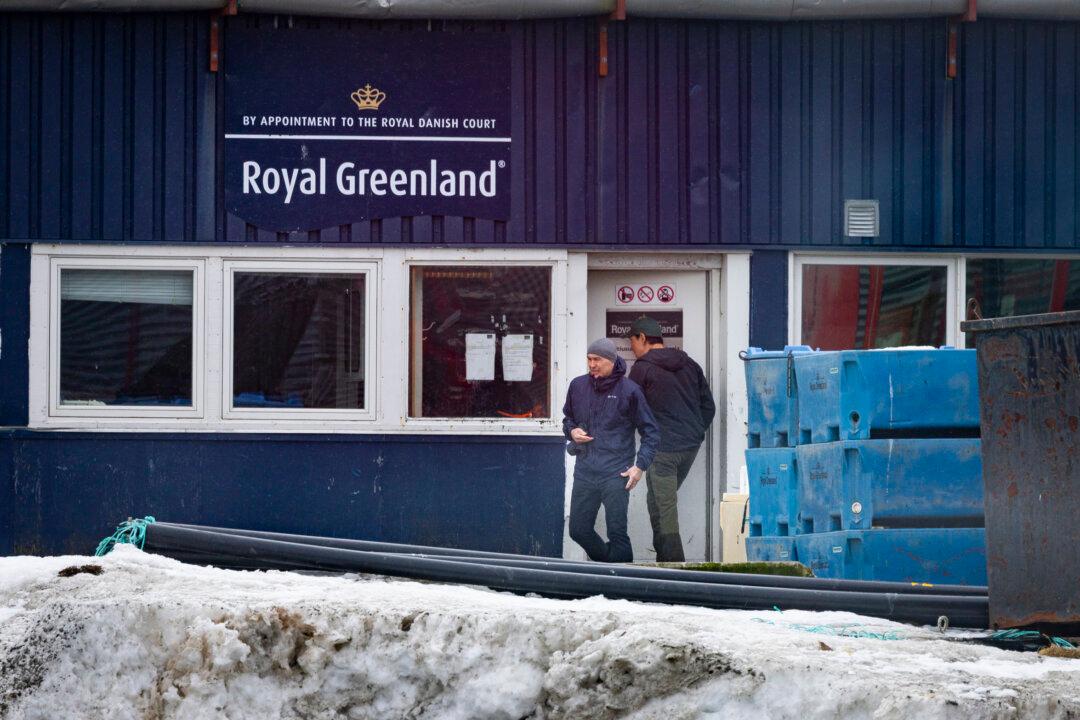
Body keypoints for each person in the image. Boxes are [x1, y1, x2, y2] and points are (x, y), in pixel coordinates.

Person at [562, 338, 660, 562]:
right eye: (589, 359)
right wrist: (572, 431)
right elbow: (568, 419)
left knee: (617, 534)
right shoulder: (577, 386)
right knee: (578, 530)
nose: (592, 364)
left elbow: (651, 432)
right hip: (585, 470)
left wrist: (639, 467)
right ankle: (611, 567)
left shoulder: (630, 390)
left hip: (617, 473)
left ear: (612, 360)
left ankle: (623, 585)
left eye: (597, 359)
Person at [627, 316, 715, 562]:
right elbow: (709, 407)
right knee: (655, 500)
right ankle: (663, 562)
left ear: (642, 338)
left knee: (665, 509)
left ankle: (676, 570)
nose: (632, 348)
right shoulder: (690, 365)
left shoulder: (642, 368)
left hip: (663, 450)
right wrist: (695, 432)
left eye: (632, 341)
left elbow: (629, 408)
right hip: (689, 448)